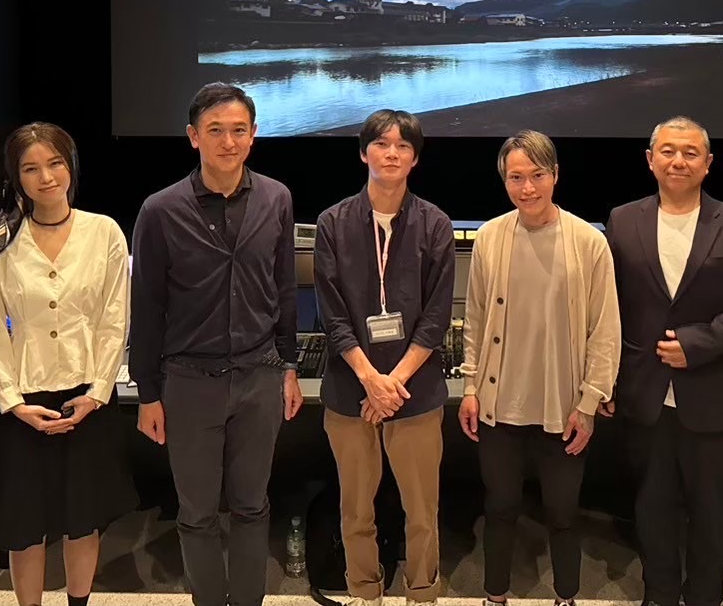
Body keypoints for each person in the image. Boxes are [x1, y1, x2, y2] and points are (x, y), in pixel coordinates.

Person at [129, 82, 305, 606]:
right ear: (192, 137)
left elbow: (283, 289)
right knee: (197, 512)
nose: (228, 142)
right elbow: (147, 308)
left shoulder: (277, 198)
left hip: (259, 377)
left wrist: (289, 366)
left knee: (253, 506)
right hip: (187, 383)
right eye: (215, 131)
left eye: (239, 131)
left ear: (253, 136)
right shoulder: (159, 211)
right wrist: (147, 393)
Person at [603, 116, 723, 606]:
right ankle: (658, 595)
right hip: (644, 392)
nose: (678, 160)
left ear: (708, 164)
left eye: (690, 152)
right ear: (650, 159)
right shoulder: (622, 219)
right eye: (667, 151)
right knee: (651, 508)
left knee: (710, 514)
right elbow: (607, 306)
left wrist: (699, 342)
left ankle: (705, 597)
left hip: (712, 393)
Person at [0, 123, 136, 606]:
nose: (46, 177)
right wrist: (13, 403)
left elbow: (113, 318)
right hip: (22, 405)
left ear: (71, 166)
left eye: (55, 163)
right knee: (25, 528)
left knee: (84, 520)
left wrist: (99, 391)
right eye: (31, 168)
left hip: (88, 398)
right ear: (15, 177)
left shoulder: (104, 232)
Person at [458, 131, 621, 606]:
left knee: (563, 512)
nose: (527, 188)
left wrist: (589, 402)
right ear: (503, 180)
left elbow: (604, 329)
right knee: (501, 507)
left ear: (555, 175)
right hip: (498, 405)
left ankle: (566, 596)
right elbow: (475, 318)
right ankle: (495, 595)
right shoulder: (490, 236)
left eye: (537, 175)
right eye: (515, 177)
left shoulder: (589, 241)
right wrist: (470, 386)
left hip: (564, 406)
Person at [313, 110, 456, 606]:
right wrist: (370, 380)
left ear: (415, 158)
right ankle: (364, 593)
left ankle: (422, 594)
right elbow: (332, 317)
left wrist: (390, 384)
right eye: (381, 143)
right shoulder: (332, 223)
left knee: (423, 512)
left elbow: (435, 319)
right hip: (351, 390)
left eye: (402, 146)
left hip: (413, 393)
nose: (391, 153)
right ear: (363, 152)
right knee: (355, 510)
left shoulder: (435, 224)